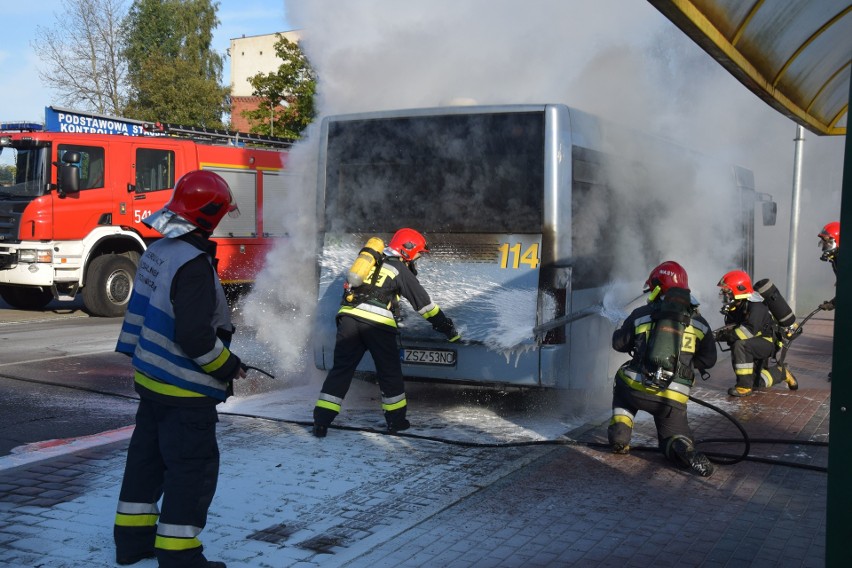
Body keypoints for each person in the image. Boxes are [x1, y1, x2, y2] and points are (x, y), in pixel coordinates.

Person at [113, 170, 245, 568]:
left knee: (145, 465)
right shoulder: (193, 264)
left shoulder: (159, 251)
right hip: (185, 394)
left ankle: (132, 545)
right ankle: (180, 557)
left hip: (150, 383)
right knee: (191, 475)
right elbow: (195, 337)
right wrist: (229, 366)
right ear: (211, 215)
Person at [313, 228, 460, 437]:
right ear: (407, 250)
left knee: (341, 371)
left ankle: (321, 422)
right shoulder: (399, 269)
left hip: (348, 320)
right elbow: (425, 306)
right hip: (378, 326)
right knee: (389, 374)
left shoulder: (368, 263)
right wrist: (448, 329)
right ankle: (397, 423)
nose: (418, 258)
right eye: (418, 253)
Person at [608, 261, 717, 477]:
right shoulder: (700, 323)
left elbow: (619, 344)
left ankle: (620, 434)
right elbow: (710, 359)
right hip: (672, 399)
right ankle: (681, 447)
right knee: (674, 439)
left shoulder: (641, 314)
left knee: (621, 383)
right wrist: (686, 367)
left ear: (657, 287)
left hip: (635, 389)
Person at [716, 270, 797, 397]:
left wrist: (722, 336)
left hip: (768, 342)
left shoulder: (756, 306)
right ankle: (782, 373)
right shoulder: (736, 307)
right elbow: (732, 328)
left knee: (740, 345)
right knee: (757, 382)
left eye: (727, 291)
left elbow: (747, 332)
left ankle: (744, 387)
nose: (723, 295)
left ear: (739, 289)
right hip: (754, 342)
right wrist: (719, 334)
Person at [818, 221, 840, 311]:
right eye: (824, 242)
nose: (825, 245)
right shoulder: (836, 260)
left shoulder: (844, 261)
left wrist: (832, 303)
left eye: (828, 242)